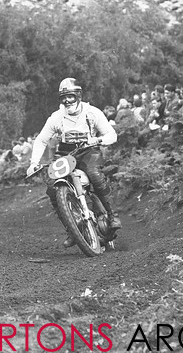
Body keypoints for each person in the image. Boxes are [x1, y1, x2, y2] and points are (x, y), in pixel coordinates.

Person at [27, 78, 121, 248]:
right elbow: (41, 140)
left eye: (70, 96)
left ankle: (113, 215)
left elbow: (111, 135)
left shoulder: (92, 112)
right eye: (63, 97)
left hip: (88, 151)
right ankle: (71, 229)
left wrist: (98, 140)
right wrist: (34, 162)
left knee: (94, 174)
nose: (67, 100)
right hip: (65, 154)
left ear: (78, 95)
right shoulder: (56, 117)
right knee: (51, 188)